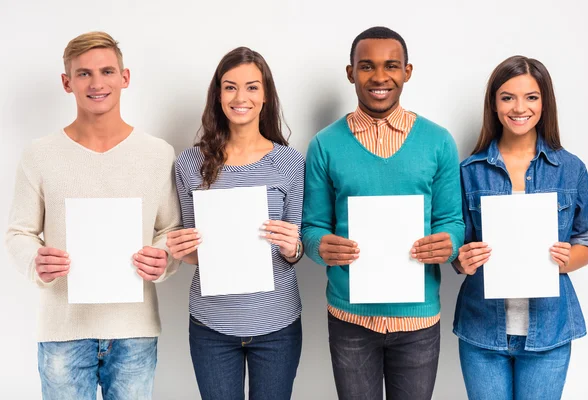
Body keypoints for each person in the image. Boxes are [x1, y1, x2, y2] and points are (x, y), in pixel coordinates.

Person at [5, 32, 182, 399]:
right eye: (84, 74)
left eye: (106, 71)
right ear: (66, 82)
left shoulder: (157, 154)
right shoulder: (39, 155)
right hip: (63, 334)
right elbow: (19, 233)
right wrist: (34, 261)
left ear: (125, 77)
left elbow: (171, 229)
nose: (97, 83)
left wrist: (162, 258)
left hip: (134, 332)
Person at [301, 26, 464, 400]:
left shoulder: (438, 141)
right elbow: (312, 227)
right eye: (366, 66)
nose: (379, 77)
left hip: (418, 318)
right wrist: (320, 246)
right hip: (350, 318)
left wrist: (449, 243)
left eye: (391, 65)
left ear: (407, 71)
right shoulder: (325, 145)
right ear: (350, 73)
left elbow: (452, 221)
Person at [453, 55, 588, 400]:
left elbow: (585, 241)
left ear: (544, 103)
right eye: (507, 97)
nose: (520, 107)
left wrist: (568, 258)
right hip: (482, 331)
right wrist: (462, 260)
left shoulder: (571, 169)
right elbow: (458, 250)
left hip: (549, 331)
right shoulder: (469, 171)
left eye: (531, 97)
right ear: (494, 104)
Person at [166, 46, 305, 400]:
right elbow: (194, 248)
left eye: (252, 87)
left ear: (266, 96)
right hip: (211, 325)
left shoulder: (289, 162)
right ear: (217, 94)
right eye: (230, 87)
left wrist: (294, 248)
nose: (240, 97)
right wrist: (183, 251)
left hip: (277, 325)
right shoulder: (188, 163)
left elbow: (296, 248)